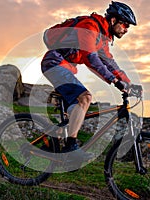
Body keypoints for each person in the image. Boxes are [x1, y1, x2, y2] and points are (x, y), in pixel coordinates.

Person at [41, 1, 137, 161]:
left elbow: (109, 63)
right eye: (125, 24)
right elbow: (91, 58)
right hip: (54, 64)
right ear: (113, 20)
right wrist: (114, 80)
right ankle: (71, 148)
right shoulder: (89, 27)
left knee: (75, 114)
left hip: (65, 67)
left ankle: (50, 145)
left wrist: (129, 83)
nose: (126, 30)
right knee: (85, 98)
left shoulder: (103, 39)